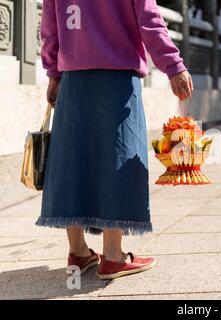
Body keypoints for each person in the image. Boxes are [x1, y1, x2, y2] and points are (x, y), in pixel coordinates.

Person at [37, 0, 193, 280]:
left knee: (73, 162)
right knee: (118, 162)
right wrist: (174, 65)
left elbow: (50, 30)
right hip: (118, 81)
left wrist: (53, 74)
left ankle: (79, 251)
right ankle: (113, 256)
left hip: (73, 80)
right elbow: (150, 21)